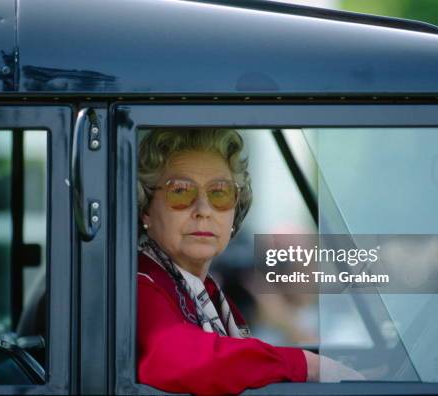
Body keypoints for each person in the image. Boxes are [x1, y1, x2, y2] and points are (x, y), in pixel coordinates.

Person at [136, 128, 361, 394]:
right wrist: (306, 364)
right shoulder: (141, 285)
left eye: (220, 193)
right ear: (146, 209)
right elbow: (179, 359)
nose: (203, 210)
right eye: (181, 191)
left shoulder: (206, 296)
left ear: (235, 210)